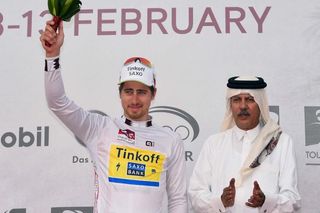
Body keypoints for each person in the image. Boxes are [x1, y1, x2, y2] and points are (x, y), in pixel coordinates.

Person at [40, 20, 188, 213]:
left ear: (154, 94)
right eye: (128, 91)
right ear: (120, 93)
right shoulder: (99, 129)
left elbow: (177, 200)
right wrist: (52, 56)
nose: (134, 99)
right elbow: (57, 102)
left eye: (142, 92)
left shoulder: (171, 140)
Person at [188, 76, 301, 212]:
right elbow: (195, 194)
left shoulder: (280, 142)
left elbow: (293, 199)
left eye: (250, 99)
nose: (242, 106)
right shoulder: (214, 143)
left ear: (261, 103)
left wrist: (266, 201)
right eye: (236, 100)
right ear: (230, 105)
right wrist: (220, 201)